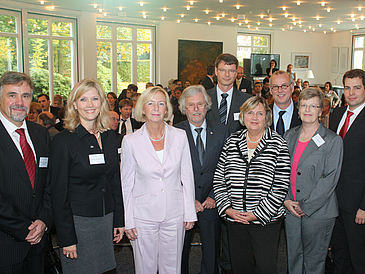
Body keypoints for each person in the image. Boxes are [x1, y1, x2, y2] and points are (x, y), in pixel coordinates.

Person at [49, 78, 125, 274]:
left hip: (106, 218)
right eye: (83, 100)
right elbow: (58, 193)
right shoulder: (63, 141)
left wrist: (119, 220)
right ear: (74, 104)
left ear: (102, 102)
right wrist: (66, 238)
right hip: (78, 224)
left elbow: (114, 181)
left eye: (94, 99)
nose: (90, 105)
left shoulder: (109, 136)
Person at [121, 86, 197, 274]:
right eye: (151, 103)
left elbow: (187, 175)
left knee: (172, 267)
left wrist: (189, 212)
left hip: (175, 213)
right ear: (143, 109)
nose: (156, 108)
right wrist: (128, 220)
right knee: (145, 268)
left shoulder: (180, 136)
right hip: (142, 216)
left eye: (161, 103)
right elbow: (126, 184)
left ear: (166, 109)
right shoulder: (130, 141)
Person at [213, 96, 291, 274]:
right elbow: (219, 179)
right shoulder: (232, 141)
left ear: (267, 117)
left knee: (265, 268)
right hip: (235, 219)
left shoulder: (278, 143)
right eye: (250, 112)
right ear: (242, 116)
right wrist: (227, 209)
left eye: (260, 113)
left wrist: (256, 214)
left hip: (265, 222)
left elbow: (280, 186)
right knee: (240, 267)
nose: (254, 117)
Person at [284, 88, 343, 274]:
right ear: (298, 109)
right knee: (293, 257)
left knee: (314, 262)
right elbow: (282, 171)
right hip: (290, 208)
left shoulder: (333, 141)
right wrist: (285, 199)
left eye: (313, 106)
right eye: (303, 105)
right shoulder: (289, 135)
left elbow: (330, 178)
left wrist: (306, 206)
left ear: (322, 110)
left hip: (318, 212)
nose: (307, 110)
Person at [0, 71, 53, 273]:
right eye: (12, 95)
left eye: (25, 96)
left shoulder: (40, 134)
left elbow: (49, 183)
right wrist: (24, 229)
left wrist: (43, 221)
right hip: (5, 247)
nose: (19, 102)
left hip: (38, 245)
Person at [175, 85, 229, 274]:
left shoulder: (222, 131)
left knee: (211, 252)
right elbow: (170, 172)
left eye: (200, 104)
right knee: (180, 252)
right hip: (183, 204)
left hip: (211, 203)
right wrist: (189, 199)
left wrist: (215, 195)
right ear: (184, 108)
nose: (196, 109)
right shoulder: (174, 133)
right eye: (191, 105)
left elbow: (226, 167)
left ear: (207, 106)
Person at [330, 69, 365, 273]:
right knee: (340, 253)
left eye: (357, 87)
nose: (351, 92)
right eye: (347, 87)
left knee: (359, 257)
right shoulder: (337, 114)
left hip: (357, 206)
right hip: (335, 201)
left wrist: (364, 206)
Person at [206, 53, 251, 134]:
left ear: (236, 73)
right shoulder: (204, 97)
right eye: (223, 70)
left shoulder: (246, 101)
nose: (227, 74)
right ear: (216, 71)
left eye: (231, 70)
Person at [269, 70, 301, 137]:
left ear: (292, 87)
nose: (280, 90)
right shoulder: (261, 115)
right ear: (270, 90)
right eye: (275, 86)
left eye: (284, 86)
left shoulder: (303, 115)